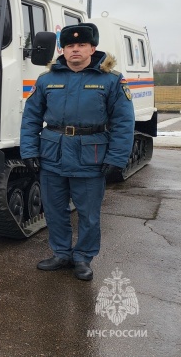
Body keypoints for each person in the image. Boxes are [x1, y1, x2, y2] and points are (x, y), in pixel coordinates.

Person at [20, 23, 135, 281]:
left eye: (81, 45)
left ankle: (83, 257)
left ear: (92, 48)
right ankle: (61, 253)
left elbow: (123, 122)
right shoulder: (47, 80)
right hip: (53, 154)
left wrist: (117, 158)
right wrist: (29, 151)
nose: (75, 50)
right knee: (54, 209)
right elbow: (31, 118)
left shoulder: (112, 80)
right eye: (70, 45)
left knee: (89, 213)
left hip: (90, 156)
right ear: (63, 48)